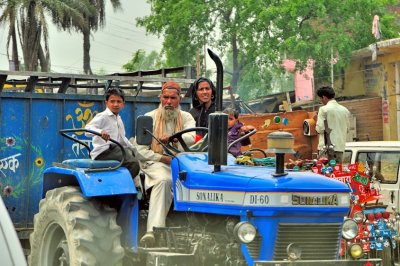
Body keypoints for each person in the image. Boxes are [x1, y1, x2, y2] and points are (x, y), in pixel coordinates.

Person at [132, 81, 196, 246]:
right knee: (165, 180)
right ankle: (153, 231)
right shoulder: (149, 118)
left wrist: (173, 137)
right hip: (155, 162)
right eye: (165, 97)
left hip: (182, 163)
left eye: (172, 98)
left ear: (178, 99)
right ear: (160, 98)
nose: (168, 102)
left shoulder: (187, 117)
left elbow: (191, 139)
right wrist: (163, 158)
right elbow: (140, 150)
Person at [85, 87, 140, 179]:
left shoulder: (119, 119)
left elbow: (122, 139)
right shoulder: (103, 116)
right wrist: (100, 132)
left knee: (134, 156)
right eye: (112, 101)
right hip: (103, 152)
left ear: (123, 104)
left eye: (119, 102)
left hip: (114, 150)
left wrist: (134, 149)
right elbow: (87, 129)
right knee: (133, 164)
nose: (115, 104)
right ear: (106, 103)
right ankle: (121, 185)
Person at [315, 86, 350, 163]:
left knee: (324, 173)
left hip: (326, 149)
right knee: (337, 171)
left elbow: (320, 129)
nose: (321, 101)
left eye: (320, 99)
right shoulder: (345, 110)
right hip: (340, 149)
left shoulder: (323, 109)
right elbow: (347, 129)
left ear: (323, 97)